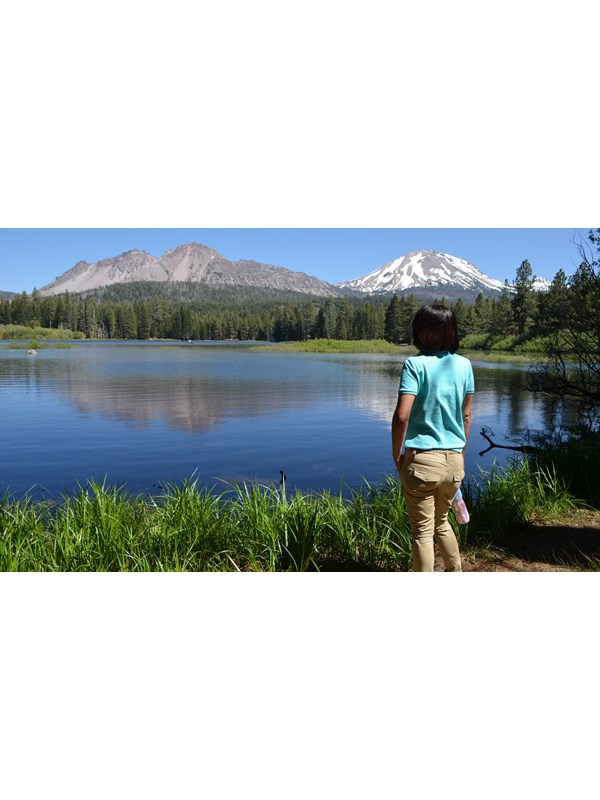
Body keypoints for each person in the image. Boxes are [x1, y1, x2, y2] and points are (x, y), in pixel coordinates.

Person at [391, 304, 474, 572]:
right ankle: (455, 573)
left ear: (421, 332)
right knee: (442, 523)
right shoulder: (464, 364)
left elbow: (402, 416)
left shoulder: (414, 364)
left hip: (422, 462)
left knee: (422, 532)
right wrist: (460, 453)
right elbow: (467, 416)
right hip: (454, 462)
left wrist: (397, 455)